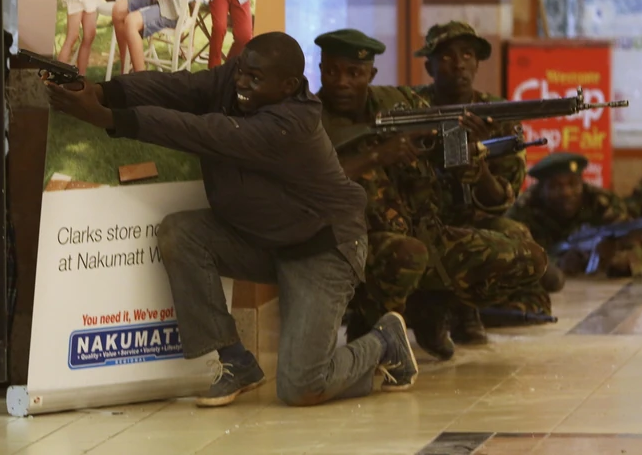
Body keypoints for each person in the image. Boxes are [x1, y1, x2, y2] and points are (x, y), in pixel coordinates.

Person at [44, 32, 419, 408]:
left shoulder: (290, 125)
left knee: (302, 386)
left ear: (288, 86)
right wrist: (104, 91)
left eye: (255, 79)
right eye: (241, 71)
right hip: (266, 238)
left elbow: (203, 132)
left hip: (322, 247)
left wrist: (110, 118)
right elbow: (178, 87)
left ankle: (385, 341)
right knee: (182, 233)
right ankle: (235, 362)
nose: (241, 82)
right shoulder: (235, 82)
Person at [315, 29, 548, 359]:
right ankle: (369, 324)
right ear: (320, 68)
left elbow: (447, 164)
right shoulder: (307, 119)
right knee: (408, 253)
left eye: (354, 73)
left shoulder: (401, 103)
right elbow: (311, 182)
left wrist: (466, 147)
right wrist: (378, 155)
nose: (341, 82)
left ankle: (435, 305)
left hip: (427, 233)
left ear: (371, 74)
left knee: (530, 258)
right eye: (332, 71)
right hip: (355, 247)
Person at [413, 21, 551, 333]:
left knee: (520, 241)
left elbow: (502, 198)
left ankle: (467, 304)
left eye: (467, 54)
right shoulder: (412, 108)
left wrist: (478, 165)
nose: (459, 63)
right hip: (419, 221)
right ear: (429, 65)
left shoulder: (498, 116)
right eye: (447, 56)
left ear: (477, 63)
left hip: (473, 221)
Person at [507, 153, 642, 286]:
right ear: (541, 189)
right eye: (555, 186)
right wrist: (556, 263)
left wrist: (621, 263)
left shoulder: (601, 202)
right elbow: (508, 254)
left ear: (582, 183)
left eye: (573, 184)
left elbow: (634, 242)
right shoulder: (524, 208)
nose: (566, 192)